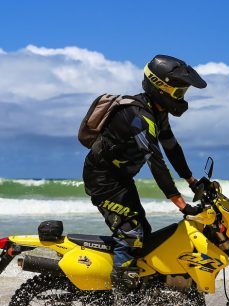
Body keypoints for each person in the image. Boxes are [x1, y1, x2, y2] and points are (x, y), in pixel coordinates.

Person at [82, 54, 207, 287]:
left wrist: (192, 180)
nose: (181, 98)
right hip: (102, 179)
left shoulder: (158, 112)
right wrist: (181, 204)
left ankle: (142, 289)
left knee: (144, 235)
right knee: (131, 235)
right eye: (178, 92)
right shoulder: (139, 117)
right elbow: (155, 160)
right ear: (161, 88)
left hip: (120, 179)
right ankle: (121, 303)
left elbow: (171, 146)